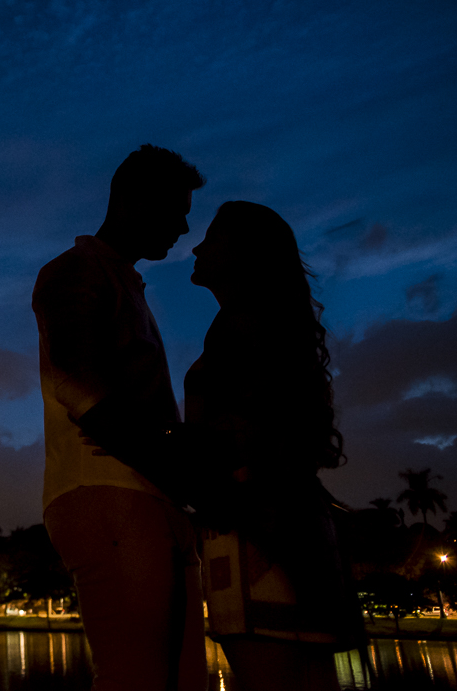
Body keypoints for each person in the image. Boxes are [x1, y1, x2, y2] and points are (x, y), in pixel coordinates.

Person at [34, 144, 207, 691]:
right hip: (108, 492)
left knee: (181, 679)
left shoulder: (119, 280)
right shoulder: (76, 271)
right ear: (133, 200)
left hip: (147, 494)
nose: (184, 227)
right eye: (176, 210)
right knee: (137, 677)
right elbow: (78, 387)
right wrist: (177, 468)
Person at [184, 201, 364, 691]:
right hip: (285, 525)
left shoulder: (239, 327)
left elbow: (239, 438)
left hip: (258, 532)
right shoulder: (267, 327)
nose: (197, 248)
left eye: (212, 237)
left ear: (242, 252)